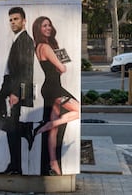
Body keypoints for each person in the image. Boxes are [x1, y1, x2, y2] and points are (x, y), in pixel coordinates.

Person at [0, 7, 35, 175]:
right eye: (11, 20)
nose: (13, 22)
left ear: (24, 21)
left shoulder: (25, 40)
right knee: (9, 125)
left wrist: (16, 92)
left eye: (16, 19)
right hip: (9, 85)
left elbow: (26, 69)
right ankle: (15, 165)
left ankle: (16, 163)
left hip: (14, 88)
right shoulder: (18, 39)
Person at [32, 16, 80, 175]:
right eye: (44, 26)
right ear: (38, 28)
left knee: (54, 130)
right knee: (78, 110)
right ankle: (46, 125)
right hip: (54, 88)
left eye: (49, 25)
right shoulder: (45, 47)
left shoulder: (38, 46)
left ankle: (54, 164)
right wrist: (60, 63)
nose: (48, 28)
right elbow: (62, 68)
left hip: (50, 87)